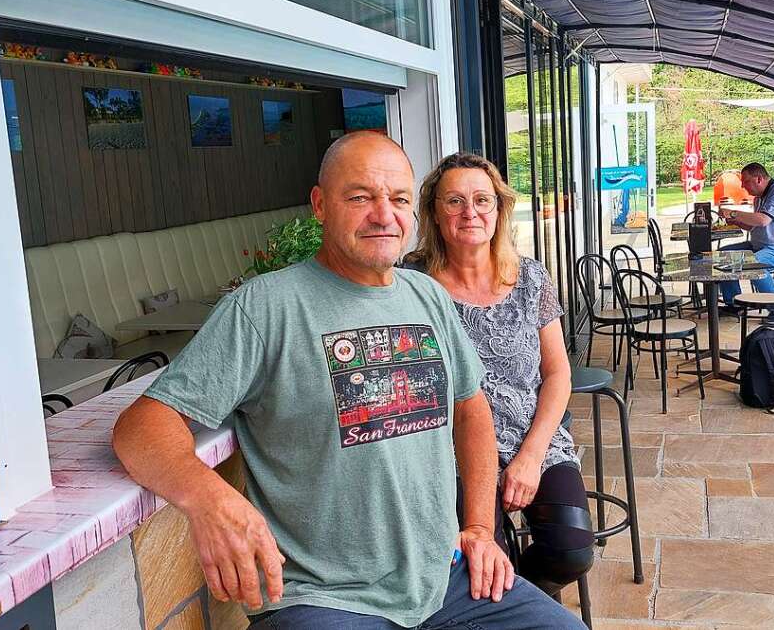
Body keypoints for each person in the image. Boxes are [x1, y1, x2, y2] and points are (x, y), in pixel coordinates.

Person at [112, 132, 585, 630]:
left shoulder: (427, 296)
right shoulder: (264, 309)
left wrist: (479, 528)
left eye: (398, 198)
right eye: (360, 197)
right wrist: (209, 498)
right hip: (324, 599)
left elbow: (471, 409)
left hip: (443, 581)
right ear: (320, 205)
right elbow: (141, 427)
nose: (383, 215)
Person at [405, 152, 594, 598]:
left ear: (499, 208)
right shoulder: (411, 283)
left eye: (481, 200)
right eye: (454, 201)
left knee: (571, 550)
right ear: (434, 212)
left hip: (532, 438)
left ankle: (523, 602)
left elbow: (557, 373)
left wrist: (531, 456)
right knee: (484, 562)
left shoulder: (529, 277)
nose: (469, 212)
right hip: (452, 452)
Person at [718, 163, 774, 323]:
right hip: (761, 245)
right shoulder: (759, 197)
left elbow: (763, 220)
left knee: (753, 264)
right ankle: (733, 304)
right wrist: (735, 221)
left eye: (746, 182)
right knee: (723, 255)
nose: (743, 186)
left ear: (759, 179)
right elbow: (753, 225)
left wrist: (733, 212)